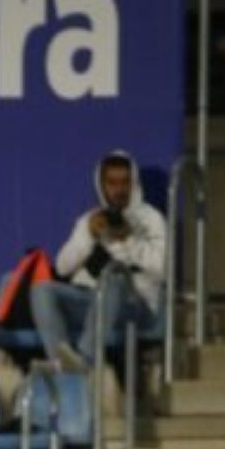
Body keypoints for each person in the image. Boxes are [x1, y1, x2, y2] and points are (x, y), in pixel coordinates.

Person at [29, 150, 166, 373]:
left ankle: (86, 359)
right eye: (112, 183)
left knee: (114, 280)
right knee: (42, 290)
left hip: (134, 304)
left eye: (124, 182)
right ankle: (62, 364)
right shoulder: (90, 219)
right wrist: (89, 236)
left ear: (134, 183)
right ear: (102, 185)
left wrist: (129, 241)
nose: (119, 190)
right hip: (90, 299)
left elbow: (162, 269)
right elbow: (63, 267)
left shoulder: (151, 219)